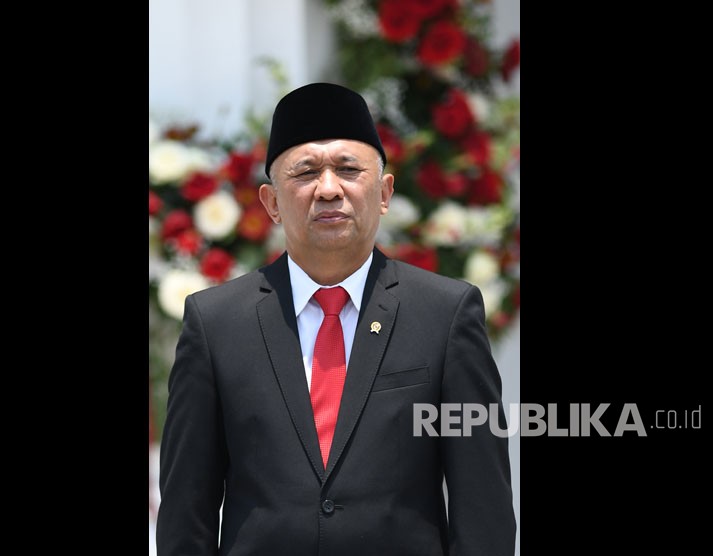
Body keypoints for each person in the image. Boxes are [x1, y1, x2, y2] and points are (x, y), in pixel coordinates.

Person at [156, 82, 516, 556]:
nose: (329, 189)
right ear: (270, 202)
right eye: (306, 172)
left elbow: (483, 510)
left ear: (384, 192)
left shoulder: (446, 314)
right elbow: (187, 513)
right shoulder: (216, 323)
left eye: (349, 169)